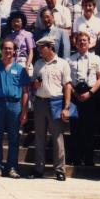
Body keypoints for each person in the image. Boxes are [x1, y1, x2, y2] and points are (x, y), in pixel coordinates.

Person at [0, 39, 30, 178]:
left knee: (14, 138)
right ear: (1, 50)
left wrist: (24, 111)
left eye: (10, 49)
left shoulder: (20, 69)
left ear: (14, 51)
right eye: (5, 48)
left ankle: (12, 167)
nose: (8, 51)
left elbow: (25, 91)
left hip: (14, 105)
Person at [30, 37, 73, 181]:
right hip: (40, 102)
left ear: (50, 47)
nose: (39, 50)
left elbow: (67, 86)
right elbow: (33, 83)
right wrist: (35, 84)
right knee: (40, 136)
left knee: (57, 137)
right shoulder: (38, 63)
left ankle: (60, 170)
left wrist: (66, 107)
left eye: (41, 47)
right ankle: (39, 168)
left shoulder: (62, 63)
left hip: (56, 101)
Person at [67, 31, 100, 167]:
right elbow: (67, 80)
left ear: (89, 43)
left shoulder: (96, 59)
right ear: (75, 43)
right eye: (79, 40)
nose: (82, 42)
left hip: (91, 95)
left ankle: (88, 158)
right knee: (75, 128)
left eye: (85, 40)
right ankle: (76, 158)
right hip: (75, 95)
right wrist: (75, 94)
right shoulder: (70, 60)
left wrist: (90, 93)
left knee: (89, 128)